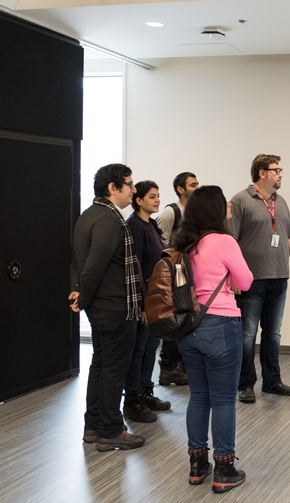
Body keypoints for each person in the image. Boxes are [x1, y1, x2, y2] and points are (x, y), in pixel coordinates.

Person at [172, 186, 254, 493]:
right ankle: (224, 468)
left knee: (199, 397)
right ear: (215, 210)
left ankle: (197, 465)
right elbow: (245, 280)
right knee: (222, 400)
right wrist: (231, 281)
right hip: (220, 326)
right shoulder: (224, 241)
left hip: (188, 329)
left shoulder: (183, 244)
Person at [69, 163, 145, 452]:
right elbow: (93, 266)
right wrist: (83, 296)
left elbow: (77, 263)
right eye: (129, 184)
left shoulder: (88, 215)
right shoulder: (110, 220)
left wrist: (80, 293)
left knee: (101, 365)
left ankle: (94, 426)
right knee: (114, 369)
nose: (133, 189)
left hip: (101, 307)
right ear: (113, 188)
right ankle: (111, 430)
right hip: (114, 308)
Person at [229, 154, 290, 403]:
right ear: (262, 172)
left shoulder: (280, 201)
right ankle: (245, 384)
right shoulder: (241, 201)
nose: (281, 174)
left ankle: (272, 381)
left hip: (278, 278)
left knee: (273, 333)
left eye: (281, 169)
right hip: (250, 280)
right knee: (248, 334)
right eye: (276, 170)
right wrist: (232, 276)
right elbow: (229, 241)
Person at [122, 180, 171, 423]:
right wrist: (142, 304)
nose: (157, 200)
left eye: (158, 196)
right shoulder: (134, 226)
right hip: (145, 301)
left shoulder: (151, 224)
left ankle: (146, 392)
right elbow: (136, 268)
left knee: (151, 348)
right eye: (152, 196)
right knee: (138, 350)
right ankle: (132, 399)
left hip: (156, 300)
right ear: (138, 200)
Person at [156, 171, 200, 387]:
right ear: (180, 189)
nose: (197, 188)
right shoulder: (170, 212)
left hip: (188, 276)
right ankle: (167, 368)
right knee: (175, 321)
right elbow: (158, 242)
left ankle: (179, 367)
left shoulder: (194, 213)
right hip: (174, 277)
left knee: (186, 320)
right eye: (193, 184)